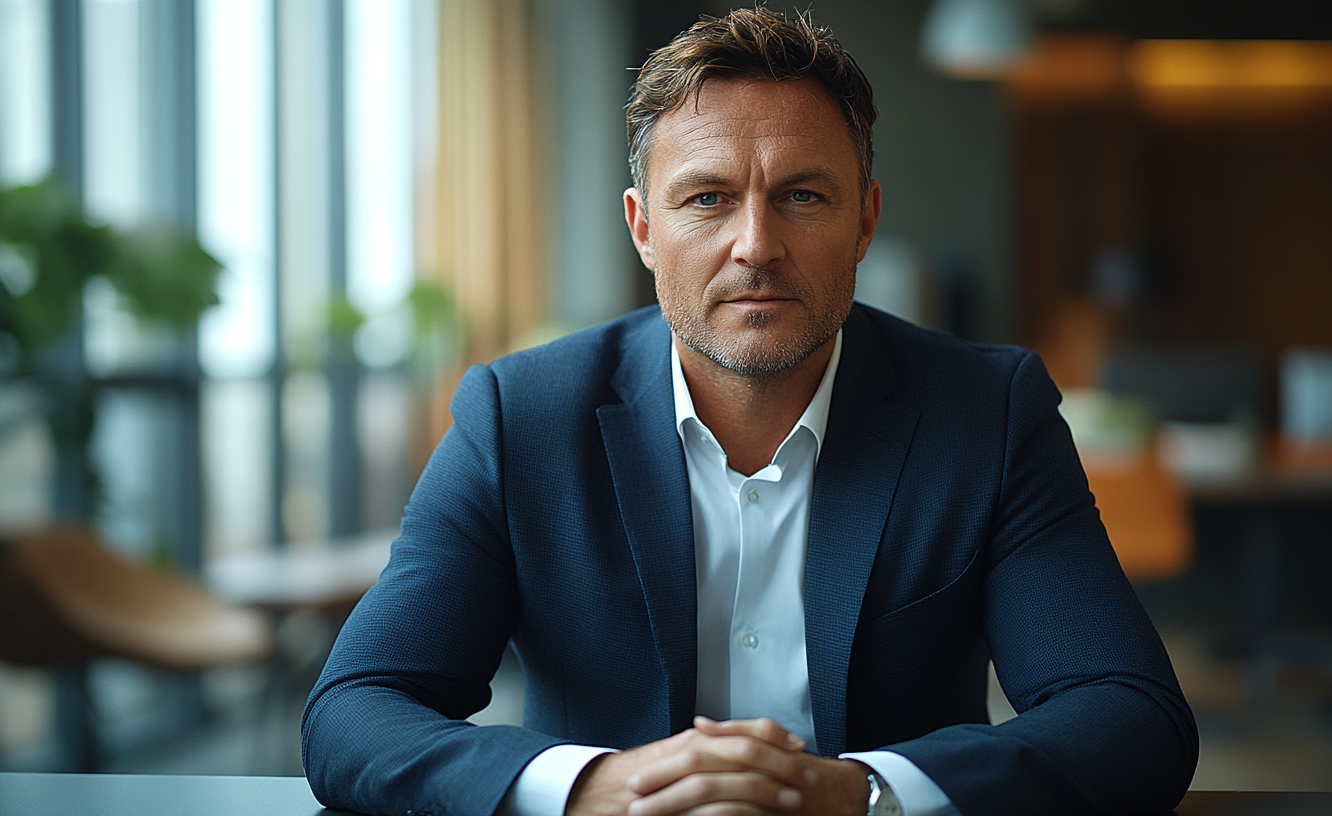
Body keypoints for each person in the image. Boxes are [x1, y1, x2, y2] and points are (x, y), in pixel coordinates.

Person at [302, 7, 1198, 816]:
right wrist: (592, 787)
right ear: (643, 228)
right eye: (706, 199)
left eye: (803, 196)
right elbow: (355, 713)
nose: (757, 245)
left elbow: (1131, 717)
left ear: (865, 222)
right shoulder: (521, 415)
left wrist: (866, 792)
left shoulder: (988, 413)